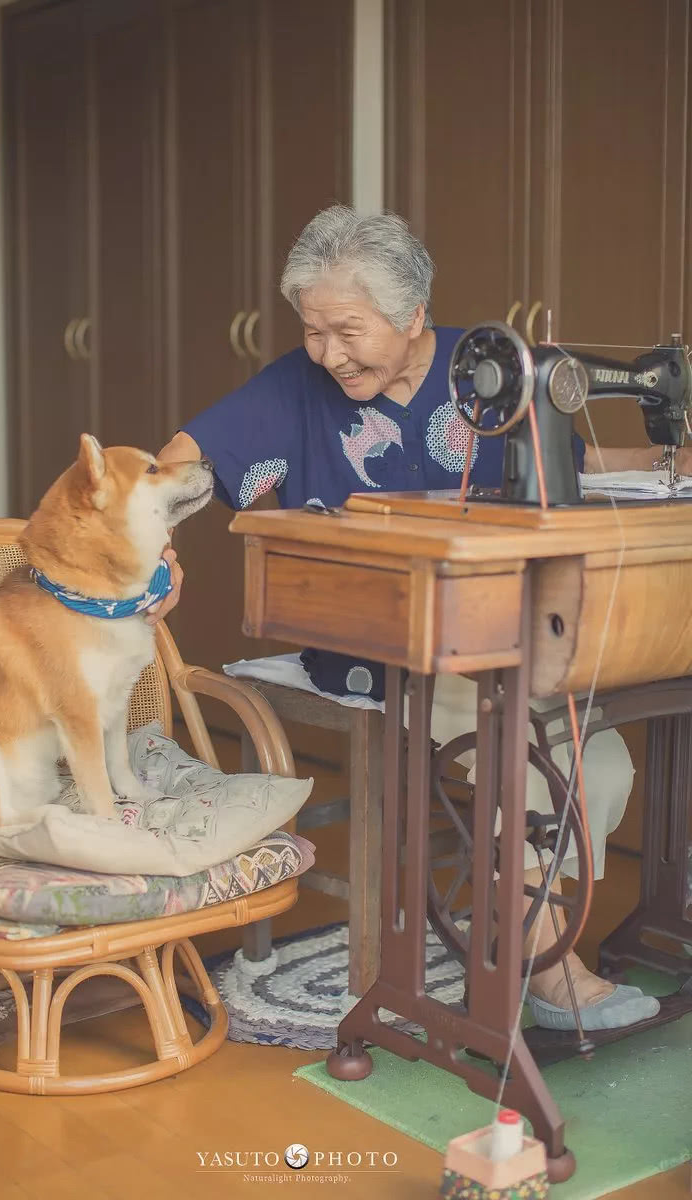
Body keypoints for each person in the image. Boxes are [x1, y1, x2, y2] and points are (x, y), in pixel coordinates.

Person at [151, 205, 670, 1030]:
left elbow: (568, 464)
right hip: (373, 641)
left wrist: (661, 459)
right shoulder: (296, 385)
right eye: (314, 331)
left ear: (414, 315)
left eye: (347, 331)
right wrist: (155, 546)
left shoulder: (488, 371)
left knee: (600, 768)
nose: (327, 353)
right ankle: (545, 964)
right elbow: (186, 459)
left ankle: (514, 924)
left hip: (504, 630)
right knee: (532, 758)